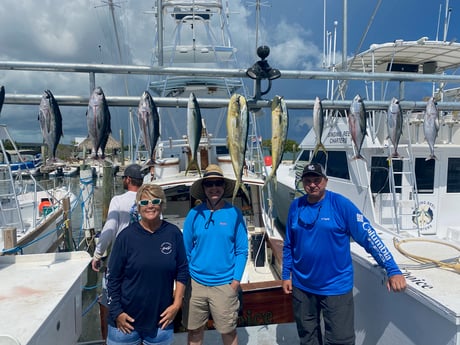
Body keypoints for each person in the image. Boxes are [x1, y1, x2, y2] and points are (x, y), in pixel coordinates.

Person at [282, 163, 407, 345]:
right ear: (302, 183)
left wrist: (393, 269)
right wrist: (286, 274)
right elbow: (289, 244)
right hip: (302, 286)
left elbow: (369, 237)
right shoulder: (296, 206)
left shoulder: (341, 205)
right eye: (308, 181)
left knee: (340, 340)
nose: (312, 185)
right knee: (307, 337)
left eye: (317, 180)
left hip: (335, 287)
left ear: (325, 181)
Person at [106, 183, 189, 345]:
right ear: (138, 207)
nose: (150, 206)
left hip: (160, 323)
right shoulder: (126, 237)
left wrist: (177, 303)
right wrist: (117, 313)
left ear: (162, 204)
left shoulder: (173, 234)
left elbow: (182, 270)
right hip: (125, 324)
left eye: (155, 201)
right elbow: (112, 277)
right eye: (144, 203)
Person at [182, 164, 248, 345]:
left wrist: (235, 282)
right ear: (203, 188)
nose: (214, 188)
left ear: (223, 187)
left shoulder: (234, 213)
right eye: (209, 184)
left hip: (225, 285)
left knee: (228, 332)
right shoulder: (193, 214)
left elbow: (242, 251)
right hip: (196, 284)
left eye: (218, 183)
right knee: (194, 332)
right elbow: (185, 251)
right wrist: (187, 280)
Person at [91, 163, 144, 342]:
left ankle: (111, 338)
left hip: (121, 263)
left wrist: (98, 254)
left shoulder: (118, 201)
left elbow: (109, 229)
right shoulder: (150, 200)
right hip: (143, 263)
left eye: (123, 178)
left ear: (128, 180)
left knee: (109, 301)